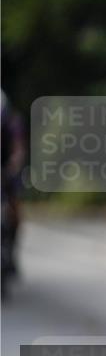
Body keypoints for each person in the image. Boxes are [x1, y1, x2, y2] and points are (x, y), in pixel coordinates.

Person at [1, 89, 25, 284]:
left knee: (15, 206)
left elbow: (18, 150)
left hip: (5, 170)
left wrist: (12, 166)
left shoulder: (12, 122)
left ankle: (12, 251)